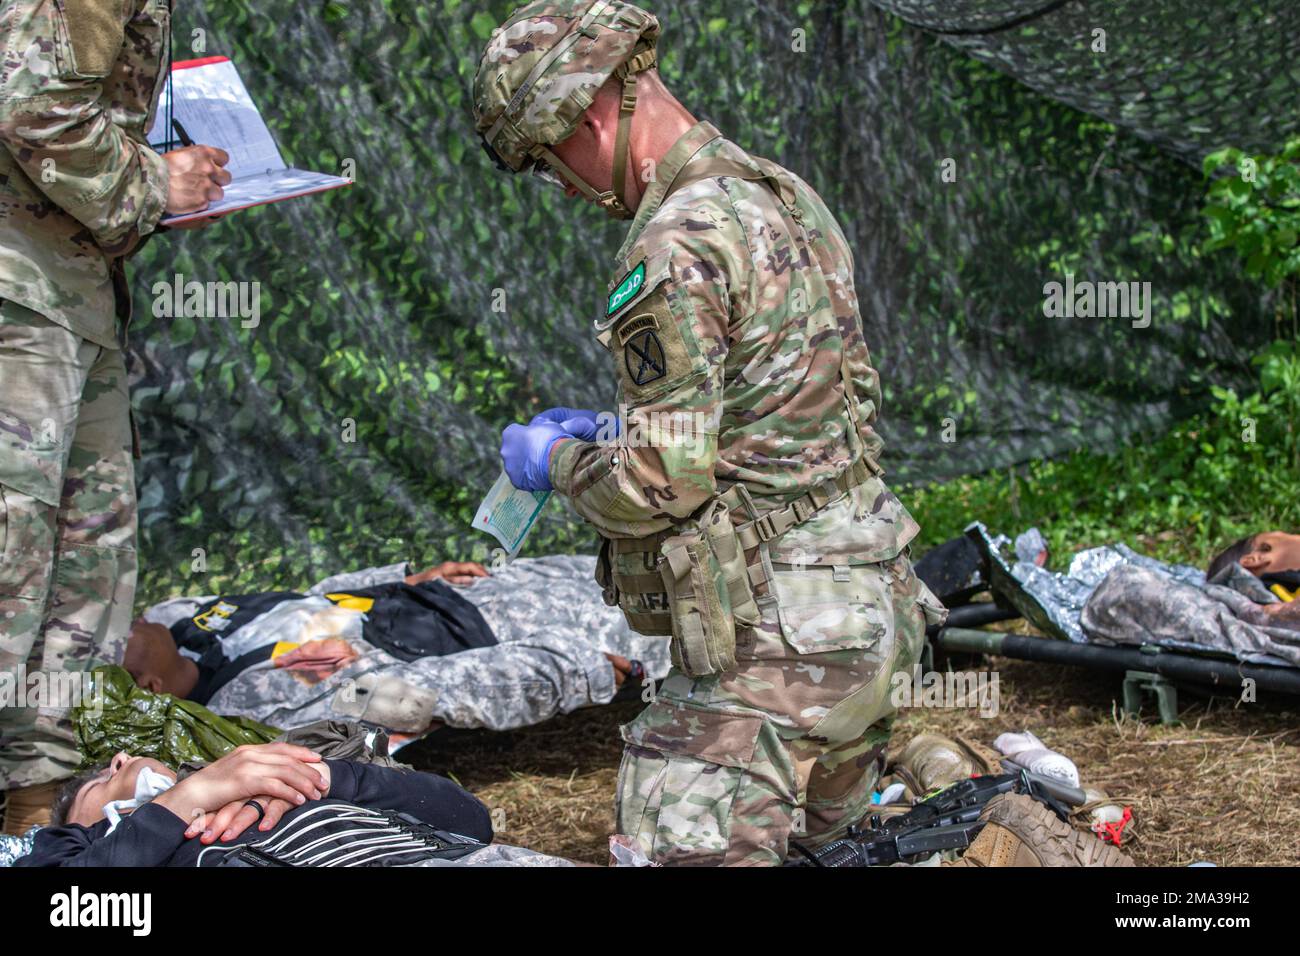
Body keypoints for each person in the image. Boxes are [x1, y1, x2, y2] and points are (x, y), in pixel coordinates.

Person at [473, 1, 947, 865]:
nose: (565, 187)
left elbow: (659, 485)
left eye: (550, 162)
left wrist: (560, 463)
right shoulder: (781, 193)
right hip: (872, 607)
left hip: (777, 645)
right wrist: (622, 428)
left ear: (586, 112)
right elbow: (803, 402)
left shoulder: (675, 238)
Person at [0, 0, 232, 833]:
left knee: (84, 561)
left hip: (71, 292)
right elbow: (35, 105)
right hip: (18, 290)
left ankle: (39, 812)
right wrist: (150, 183)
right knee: (13, 552)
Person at [121, 553, 664, 734]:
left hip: (464, 594)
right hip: (497, 636)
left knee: (638, 563)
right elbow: (412, 696)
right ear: (151, 686)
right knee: (675, 616)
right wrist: (571, 671)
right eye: (114, 642)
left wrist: (403, 579)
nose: (120, 623)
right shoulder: (258, 704)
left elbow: (306, 601)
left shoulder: (185, 621)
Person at [15, 742, 494, 866]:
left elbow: (473, 821)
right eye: (99, 783)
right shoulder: (72, 849)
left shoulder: (263, 785)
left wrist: (320, 778)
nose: (118, 759)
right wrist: (188, 797)